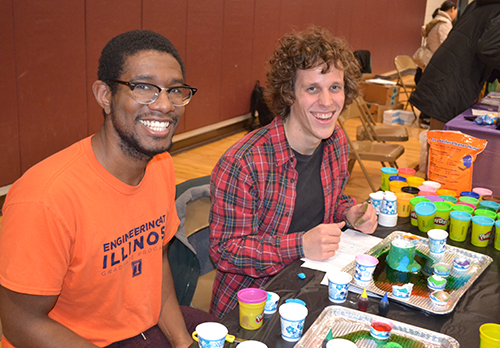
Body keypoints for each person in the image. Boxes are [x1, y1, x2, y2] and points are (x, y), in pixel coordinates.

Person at [0, 30, 216, 348]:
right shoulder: (44, 198)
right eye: (144, 87)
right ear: (104, 95)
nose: (165, 104)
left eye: (174, 90)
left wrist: (183, 343)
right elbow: (21, 324)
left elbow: (156, 261)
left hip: (143, 330)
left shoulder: (161, 166)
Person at [208, 27, 378, 319]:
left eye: (334, 87)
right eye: (312, 88)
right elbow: (225, 251)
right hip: (252, 308)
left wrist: (349, 211)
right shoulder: (244, 162)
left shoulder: (335, 141)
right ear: (289, 94)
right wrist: (299, 245)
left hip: (311, 287)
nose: (326, 101)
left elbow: (325, 202)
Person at [410, 0, 500, 131]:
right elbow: (488, 50)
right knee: (443, 142)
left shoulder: (480, 4)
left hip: (448, 74)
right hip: (455, 80)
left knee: (441, 138)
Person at [415, 0, 457, 127]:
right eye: (455, 11)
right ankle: (427, 118)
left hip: (428, 62)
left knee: (429, 90)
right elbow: (447, 46)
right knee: (434, 92)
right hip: (437, 64)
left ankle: (425, 117)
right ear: (452, 9)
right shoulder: (445, 24)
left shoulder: (436, 20)